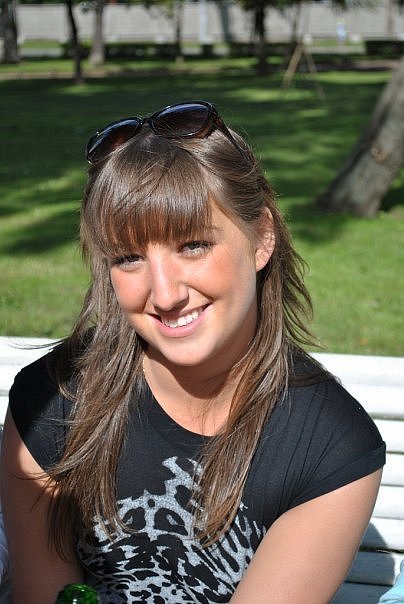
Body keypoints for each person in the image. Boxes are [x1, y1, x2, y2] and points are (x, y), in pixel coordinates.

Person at [0, 100, 385, 604]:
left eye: (192, 246)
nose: (164, 295)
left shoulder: (329, 447)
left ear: (262, 238)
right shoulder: (52, 402)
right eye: (129, 257)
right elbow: (44, 592)